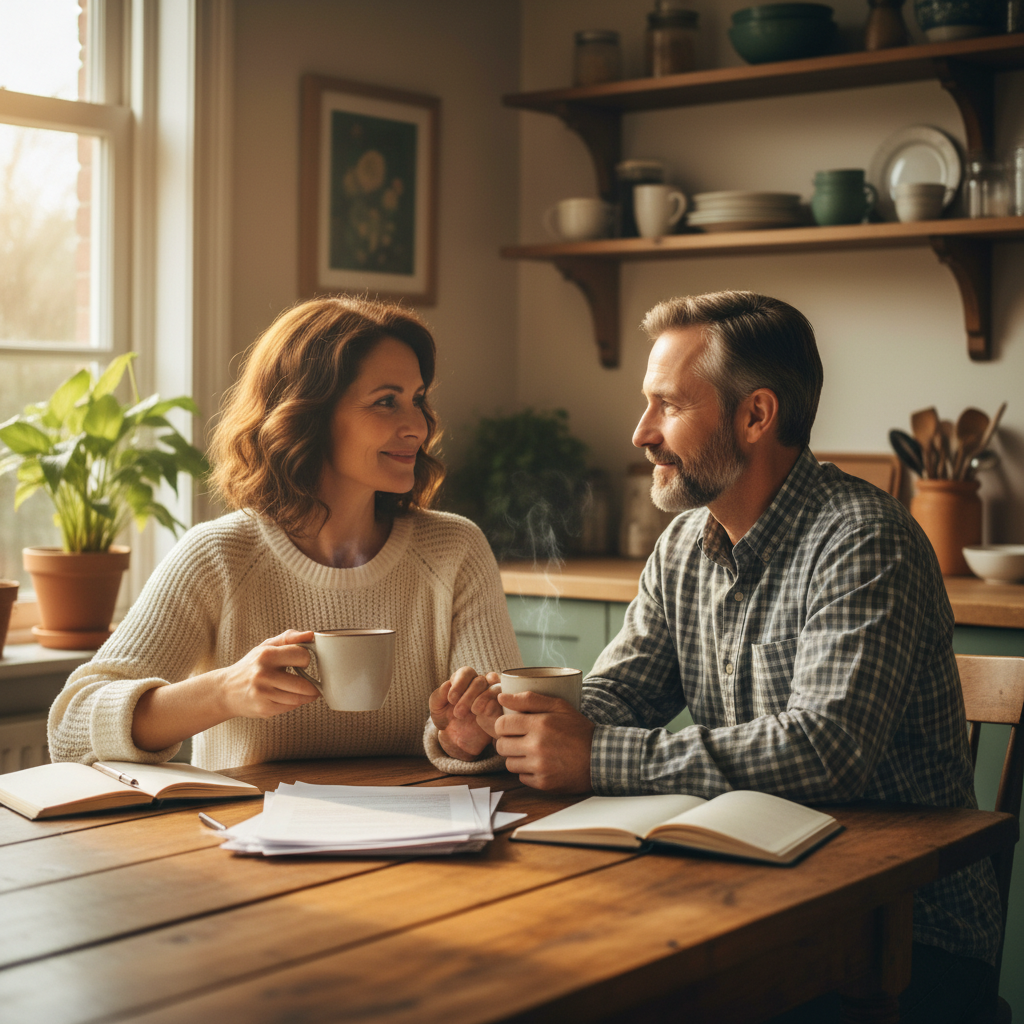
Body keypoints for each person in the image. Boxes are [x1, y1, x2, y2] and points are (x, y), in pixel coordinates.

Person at [437, 290, 1003, 1023]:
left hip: (901, 936)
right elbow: (615, 700)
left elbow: (828, 749)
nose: (641, 432)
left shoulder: (864, 540)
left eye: (667, 405)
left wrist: (596, 756)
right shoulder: (683, 546)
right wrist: (499, 725)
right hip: (748, 898)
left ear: (756, 415)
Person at [48, 296, 519, 774]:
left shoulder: (455, 550)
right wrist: (224, 691)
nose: (417, 426)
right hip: (250, 839)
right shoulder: (218, 557)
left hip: (427, 836)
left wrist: (468, 740)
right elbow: (70, 732)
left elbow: (502, 738)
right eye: (386, 402)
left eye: (417, 400)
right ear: (307, 415)